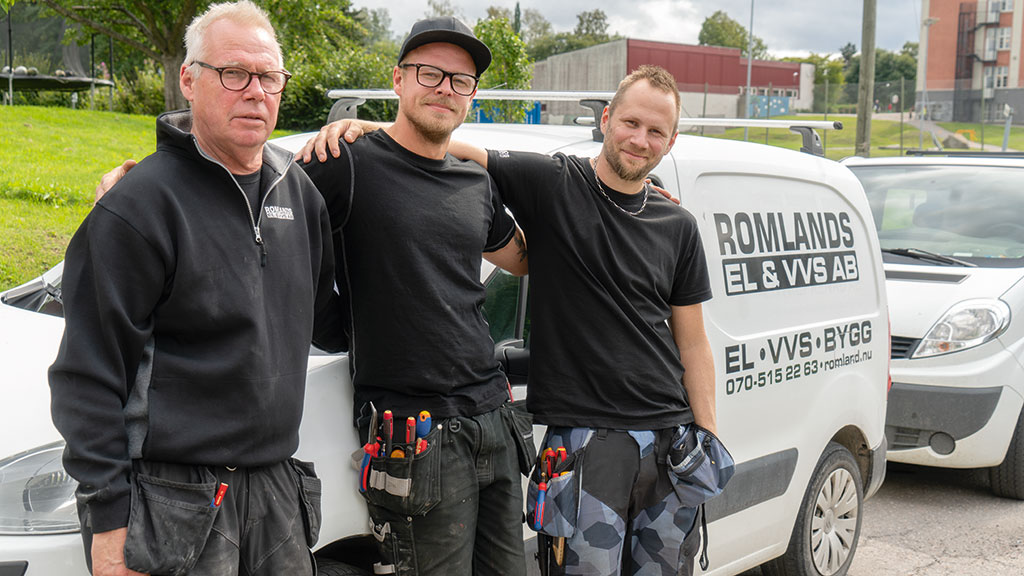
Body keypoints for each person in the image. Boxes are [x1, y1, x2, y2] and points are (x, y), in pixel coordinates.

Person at [95, 15, 530, 576]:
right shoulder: (344, 163)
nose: (445, 87)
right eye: (430, 73)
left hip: (495, 417)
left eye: (460, 80)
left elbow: (526, 257)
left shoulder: (475, 181)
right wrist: (131, 189)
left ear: (473, 94)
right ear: (398, 79)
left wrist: (611, 199)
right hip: (418, 435)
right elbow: (240, 178)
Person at [306, 65, 719, 576]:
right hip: (588, 445)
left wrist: (707, 439)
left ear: (672, 140)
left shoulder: (677, 224)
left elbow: (695, 344)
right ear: (608, 118)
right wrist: (371, 130)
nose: (640, 139)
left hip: (670, 443)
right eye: (631, 123)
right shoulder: (554, 183)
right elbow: (452, 149)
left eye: (656, 131)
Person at [49, 2, 342, 575]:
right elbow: (87, 378)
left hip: (279, 491)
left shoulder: (299, 193)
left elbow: (330, 323)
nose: (255, 91)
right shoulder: (139, 207)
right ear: (189, 78)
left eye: (269, 77)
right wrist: (109, 529)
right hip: (174, 501)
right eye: (234, 73)